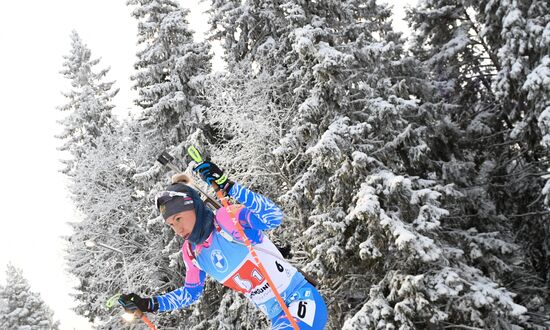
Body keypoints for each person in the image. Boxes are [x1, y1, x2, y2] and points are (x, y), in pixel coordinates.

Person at [118, 161, 328, 329]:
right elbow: (190, 294)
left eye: (179, 219)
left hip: (300, 298)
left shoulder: (225, 220)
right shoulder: (192, 253)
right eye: (171, 225)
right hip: (277, 316)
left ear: (194, 208)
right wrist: (149, 304)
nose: (177, 229)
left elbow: (273, 216)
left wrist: (230, 187)